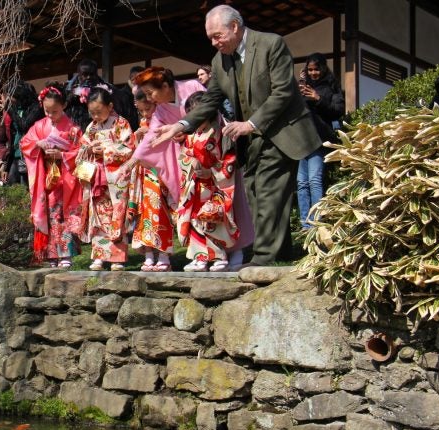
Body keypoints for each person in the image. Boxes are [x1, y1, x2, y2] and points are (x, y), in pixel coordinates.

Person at [153, 4, 321, 266]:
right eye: (210, 38)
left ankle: (262, 258)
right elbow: (210, 100)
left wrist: (251, 124)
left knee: (268, 191)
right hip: (251, 139)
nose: (214, 42)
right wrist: (181, 125)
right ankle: (283, 251)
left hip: (283, 131)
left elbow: (284, 92)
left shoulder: (271, 44)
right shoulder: (220, 61)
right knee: (255, 192)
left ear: (235, 26)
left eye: (217, 35)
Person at [121, 66, 205, 271]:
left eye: (151, 93)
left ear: (166, 85)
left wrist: (185, 130)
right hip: (185, 160)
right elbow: (152, 137)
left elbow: (209, 113)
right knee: (191, 205)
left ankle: (228, 252)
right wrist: (133, 160)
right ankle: (201, 254)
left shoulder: (193, 86)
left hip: (207, 153)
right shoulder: (161, 108)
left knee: (213, 204)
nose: (149, 99)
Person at [20, 83, 83, 268]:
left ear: (63, 106)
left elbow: (81, 152)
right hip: (46, 176)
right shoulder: (39, 126)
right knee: (49, 214)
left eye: (54, 111)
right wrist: (38, 144)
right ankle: (50, 254)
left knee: (63, 214)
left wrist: (62, 155)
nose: (50, 115)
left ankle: (65, 254)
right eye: (47, 111)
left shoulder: (73, 129)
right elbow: (25, 143)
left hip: (66, 178)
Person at [177, 92, 239, 272]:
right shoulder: (191, 135)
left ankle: (219, 256)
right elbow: (184, 156)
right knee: (196, 219)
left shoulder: (219, 132)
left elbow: (228, 159)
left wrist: (210, 170)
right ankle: (200, 257)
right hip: (195, 185)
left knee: (213, 218)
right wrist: (192, 164)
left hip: (214, 185)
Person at [76, 87, 135, 271]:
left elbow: (129, 148)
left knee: (116, 216)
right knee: (99, 217)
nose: (95, 117)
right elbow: (82, 149)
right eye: (92, 113)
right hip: (97, 177)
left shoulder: (121, 123)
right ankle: (100, 257)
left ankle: (117, 258)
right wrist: (89, 149)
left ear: (110, 106)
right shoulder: (91, 128)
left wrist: (107, 150)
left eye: (99, 112)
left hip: (116, 178)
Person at [127, 91, 176, 272]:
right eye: (142, 111)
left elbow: (171, 142)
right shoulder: (142, 122)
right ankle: (148, 255)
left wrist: (151, 133)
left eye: (148, 109)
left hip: (159, 171)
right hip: (143, 173)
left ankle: (163, 255)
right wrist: (138, 136)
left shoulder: (165, 120)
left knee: (160, 211)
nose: (146, 114)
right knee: (144, 213)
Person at [297, 53, 345, 228]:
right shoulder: (304, 85)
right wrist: (300, 84)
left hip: (320, 137)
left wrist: (318, 99)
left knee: (314, 180)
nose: (313, 73)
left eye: (316, 69)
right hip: (303, 138)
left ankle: (317, 222)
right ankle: (305, 223)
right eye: (310, 70)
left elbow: (337, 110)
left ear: (323, 68)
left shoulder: (330, 85)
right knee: (301, 183)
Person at [65, 59, 138, 130]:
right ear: (79, 75)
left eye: (92, 74)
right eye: (85, 74)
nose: (88, 78)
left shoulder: (109, 91)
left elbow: (121, 110)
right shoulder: (70, 92)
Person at [0, 81, 42, 186]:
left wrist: (9, 109)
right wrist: (6, 166)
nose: (10, 98)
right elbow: (12, 138)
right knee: (13, 189)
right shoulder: (15, 108)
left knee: (28, 189)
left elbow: (24, 125)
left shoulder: (36, 108)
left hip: (31, 156)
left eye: (12, 96)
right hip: (15, 156)